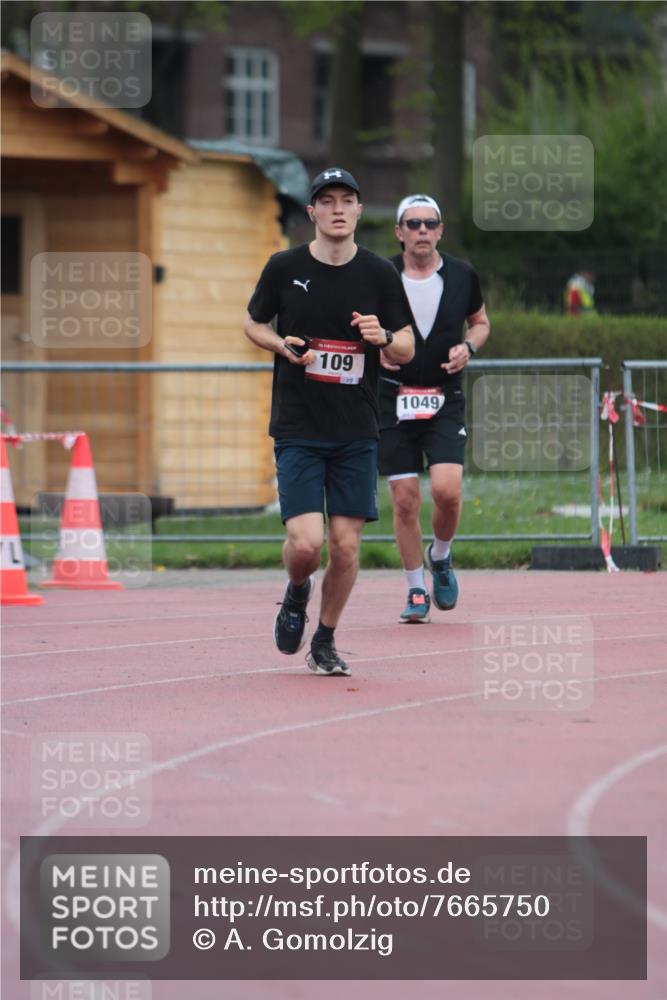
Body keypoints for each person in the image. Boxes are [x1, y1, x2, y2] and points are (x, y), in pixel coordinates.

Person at [243, 168, 415, 676]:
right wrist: (280, 345)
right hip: (298, 426)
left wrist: (381, 336)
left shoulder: (381, 274)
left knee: (344, 546)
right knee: (307, 544)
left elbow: (406, 345)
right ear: (312, 211)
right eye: (327, 200)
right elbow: (252, 321)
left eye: (347, 200)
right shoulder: (284, 266)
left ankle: (325, 638)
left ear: (360, 210)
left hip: (356, 430)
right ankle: (297, 592)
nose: (338, 208)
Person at [378, 194, 490, 623]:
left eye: (430, 223)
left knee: (447, 490)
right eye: (412, 224)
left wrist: (469, 347)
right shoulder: (381, 275)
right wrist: (376, 354)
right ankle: (415, 590)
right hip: (393, 397)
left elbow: (480, 321)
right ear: (399, 232)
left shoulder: (462, 275)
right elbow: (357, 327)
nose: (421, 230)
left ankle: (440, 556)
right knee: (404, 499)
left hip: (444, 396)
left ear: (440, 230)